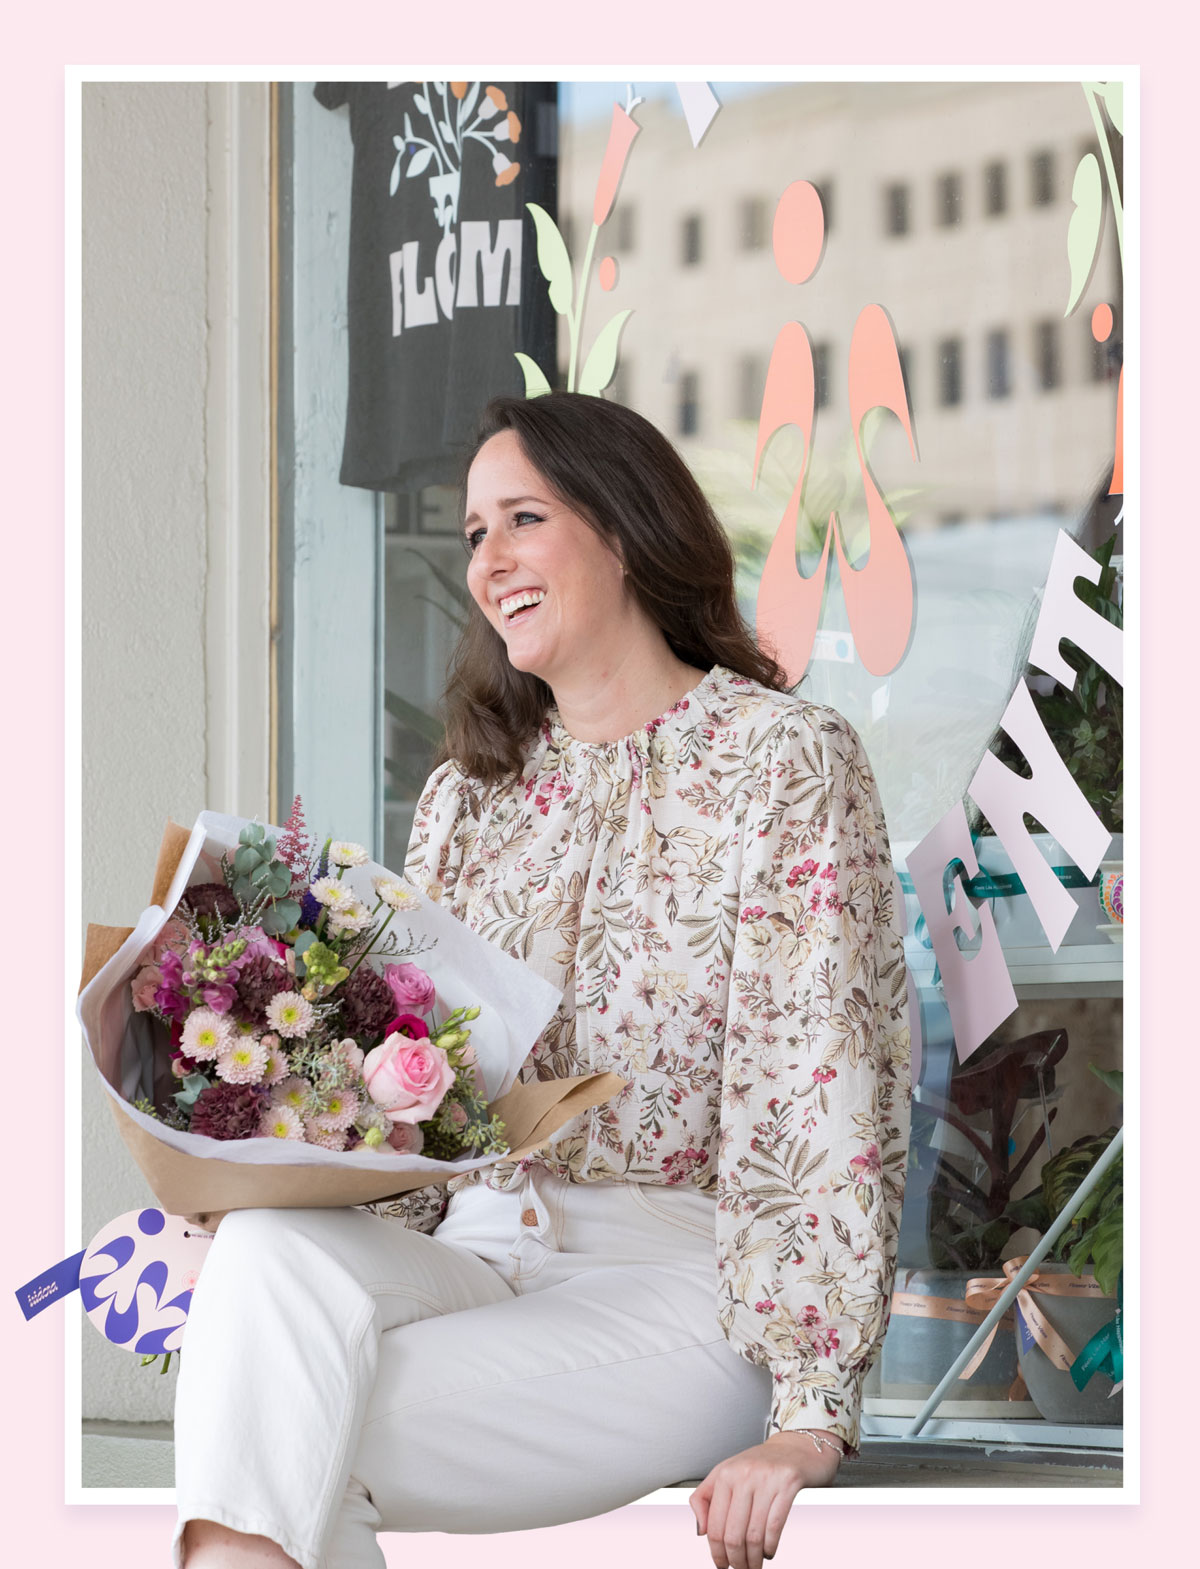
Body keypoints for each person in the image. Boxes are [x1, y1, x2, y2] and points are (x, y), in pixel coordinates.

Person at [175, 391, 911, 1569]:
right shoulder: (471, 797)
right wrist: (243, 1177)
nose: (491, 559)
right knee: (262, 1274)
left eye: (523, 518)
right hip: (476, 1247)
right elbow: (424, 1096)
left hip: (681, 1286)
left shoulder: (782, 763)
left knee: (281, 1427)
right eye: (474, 534)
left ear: (622, 527)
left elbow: (819, 1085)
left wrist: (810, 1422)